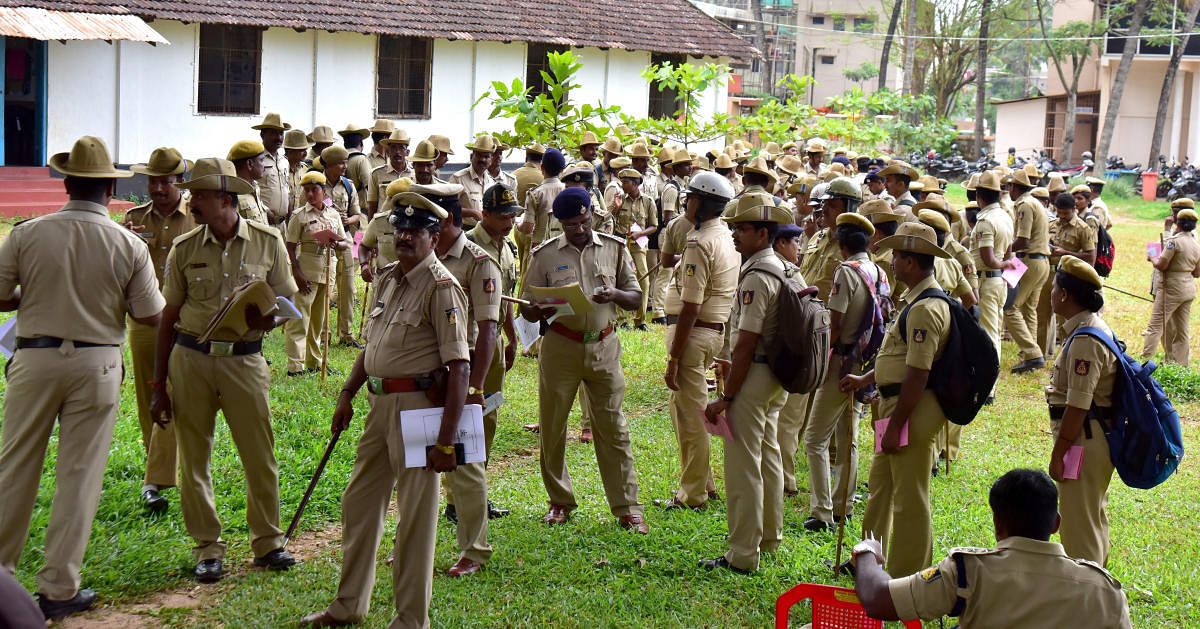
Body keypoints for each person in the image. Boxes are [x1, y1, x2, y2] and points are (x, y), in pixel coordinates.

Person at [0, 137, 164, 620]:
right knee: (79, 475)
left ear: (67, 183)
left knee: (15, 467)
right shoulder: (128, 243)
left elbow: (0, 295)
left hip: (35, 357)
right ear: (111, 187)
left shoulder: (26, 234)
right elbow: (149, 315)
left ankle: (1, 576)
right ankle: (59, 586)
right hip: (97, 363)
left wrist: (32, 297)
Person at [299, 191, 469, 628]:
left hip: (418, 410)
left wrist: (447, 441)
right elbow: (372, 346)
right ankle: (348, 605)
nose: (405, 236)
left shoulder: (443, 288)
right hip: (378, 406)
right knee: (359, 500)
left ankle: (411, 619)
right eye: (400, 229)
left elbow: (460, 368)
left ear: (434, 236)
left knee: (415, 515)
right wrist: (347, 392)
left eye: (416, 230)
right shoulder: (389, 278)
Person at [151, 157, 298, 583]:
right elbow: (168, 317)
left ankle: (268, 542)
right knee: (194, 458)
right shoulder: (185, 248)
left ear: (224, 199)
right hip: (190, 358)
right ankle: (207, 549)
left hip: (244, 359)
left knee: (260, 454)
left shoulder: (269, 242)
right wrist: (160, 383)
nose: (191, 201)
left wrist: (265, 319)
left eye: (198, 194)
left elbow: (285, 305)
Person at [851, 468, 1132, 628]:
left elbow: (877, 600)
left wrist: (867, 552)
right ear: (1055, 524)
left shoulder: (966, 572)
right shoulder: (1105, 591)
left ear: (998, 522)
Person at [519, 187, 648, 533]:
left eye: (584, 221)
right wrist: (535, 310)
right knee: (553, 427)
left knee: (613, 427)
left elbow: (635, 298)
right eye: (571, 225)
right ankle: (560, 501)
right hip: (560, 347)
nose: (579, 229)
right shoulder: (544, 256)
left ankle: (627, 507)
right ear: (558, 223)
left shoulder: (613, 248)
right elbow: (527, 309)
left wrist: (615, 294)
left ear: (592, 213)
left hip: (604, 347)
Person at [841, 221, 951, 578]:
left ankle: (910, 577)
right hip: (892, 406)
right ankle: (869, 562)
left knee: (909, 498)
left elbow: (918, 375)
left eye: (897, 256)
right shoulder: (913, 301)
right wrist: (867, 377)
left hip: (910, 410)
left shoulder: (925, 309)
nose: (891, 261)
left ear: (912, 262)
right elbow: (898, 358)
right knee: (881, 487)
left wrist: (898, 425)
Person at [700, 194, 794, 574]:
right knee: (768, 456)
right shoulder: (784, 267)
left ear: (763, 233)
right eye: (734, 226)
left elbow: (745, 343)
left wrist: (726, 396)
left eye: (742, 228)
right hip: (776, 377)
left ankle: (742, 554)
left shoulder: (758, 274)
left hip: (754, 375)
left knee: (743, 468)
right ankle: (769, 538)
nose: (735, 233)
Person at [415, 182, 503, 577]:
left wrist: (474, 388)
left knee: (464, 465)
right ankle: (414, 546)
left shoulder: (478, 261)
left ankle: (474, 549)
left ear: (446, 218)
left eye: (427, 217)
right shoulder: (422, 254)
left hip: (459, 372)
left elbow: (487, 330)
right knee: (420, 461)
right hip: (422, 372)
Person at [658, 172, 737, 511]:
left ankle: (693, 494)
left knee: (690, 418)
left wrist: (674, 358)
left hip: (693, 334)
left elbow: (691, 305)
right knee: (690, 411)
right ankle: (705, 482)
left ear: (701, 203)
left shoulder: (699, 242)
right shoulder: (724, 236)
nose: (686, 202)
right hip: (711, 333)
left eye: (690, 197)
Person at [124, 147, 196, 513]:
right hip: (144, 321)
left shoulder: (196, 221)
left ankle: (156, 479)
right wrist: (123, 241)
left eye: (164, 181)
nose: (156, 188)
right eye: (152, 180)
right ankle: (156, 471)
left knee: (170, 391)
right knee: (148, 394)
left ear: (179, 182)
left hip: (184, 321)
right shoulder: (133, 220)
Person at [803, 213, 883, 532]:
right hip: (866, 362)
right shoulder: (875, 269)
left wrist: (819, 362)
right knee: (848, 436)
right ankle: (843, 505)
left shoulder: (845, 272)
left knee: (814, 440)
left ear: (840, 243)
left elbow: (834, 327)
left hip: (842, 363)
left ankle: (822, 511)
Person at [1044, 256, 1118, 566]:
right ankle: (1098, 586)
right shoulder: (1086, 327)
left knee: (1078, 528)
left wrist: (1058, 453)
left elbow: (1078, 404)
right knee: (1091, 517)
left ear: (1064, 295)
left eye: (1053, 287)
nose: (1050, 292)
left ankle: (1088, 599)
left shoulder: (1087, 338)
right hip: (1089, 437)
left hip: (1083, 440)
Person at [284, 171, 351, 376]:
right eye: (307, 190)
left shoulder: (332, 214)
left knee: (318, 319)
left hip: (327, 270)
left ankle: (315, 361)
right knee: (300, 317)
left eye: (315, 190)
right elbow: (290, 246)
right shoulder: (299, 216)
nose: (310, 194)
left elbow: (343, 242)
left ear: (323, 191)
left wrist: (336, 243)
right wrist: (296, 272)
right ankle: (295, 365)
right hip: (307, 270)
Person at [770, 222, 814, 498]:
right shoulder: (787, 272)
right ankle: (786, 479)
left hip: (783, 356)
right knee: (788, 421)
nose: (799, 247)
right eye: (795, 242)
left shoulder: (764, 268)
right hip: (792, 357)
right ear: (780, 243)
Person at [970, 171, 1015, 401]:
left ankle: (988, 386)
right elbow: (1008, 252)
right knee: (994, 331)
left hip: (987, 279)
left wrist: (1002, 262)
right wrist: (1005, 262)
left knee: (989, 334)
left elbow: (989, 258)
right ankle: (988, 383)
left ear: (979, 196)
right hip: (998, 280)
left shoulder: (985, 221)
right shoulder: (1006, 216)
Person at [1040, 192, 1096, 357]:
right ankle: (1042, 354)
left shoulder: (1083, 229)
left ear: (1074, 209)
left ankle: (1067, 354)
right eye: (1059, 212)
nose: (1062, 216)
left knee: (1066, 319)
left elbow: (1090, 258)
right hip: (1048, 274)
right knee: (1042, 315)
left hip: (1067, 277)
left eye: (1066, 213)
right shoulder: (1051, 225)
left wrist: (1065, 252)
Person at [1005, 169, 1051, 374]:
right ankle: (1029, 356)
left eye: (1009, 187)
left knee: (1009, 305)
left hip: (1026, 261)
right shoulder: (1034, 202)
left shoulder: (1024, 205)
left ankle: (1033, 354)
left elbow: (1023, 240)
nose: (1008, 191)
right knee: (1029, 310)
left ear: (1014, 187)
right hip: (1040, 262)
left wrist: (1002, 251)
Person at [1142, 208, 1200, 364]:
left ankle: (1144, 361)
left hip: (1171, 288)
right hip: (1188, 289)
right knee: (1182, 331)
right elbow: (1197, 273)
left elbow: (1161, 265)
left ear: (1178, 223)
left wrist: (1152, 258)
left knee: (1155, 326)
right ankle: (1181, 366)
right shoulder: (1196, 243)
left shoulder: (1174, 242)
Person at [613, 167, 658, 330]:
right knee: (620, 278)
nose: (622, 185)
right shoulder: (620, 199)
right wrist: (615, 208)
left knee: (644, 280)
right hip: (621, 244)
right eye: (622, 182)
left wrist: (640, 234)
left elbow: (654, 226)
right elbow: (610, 222)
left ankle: (641, 320)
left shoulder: (648, 201)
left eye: (625, 182)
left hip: (639, 246)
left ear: (635, 183)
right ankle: (621, 319)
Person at [519, 147, 567, 247]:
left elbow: (527, 228)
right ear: (562, 170)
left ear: (542, 167)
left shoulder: (534, 194)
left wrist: (518, 224)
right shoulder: (567, 190)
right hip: (562, 243)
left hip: (539, 246)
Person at [252, 112, 291, 226]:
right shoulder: (256, 160)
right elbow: (249, 189)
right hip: (263, 221)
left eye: (281, 133)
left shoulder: (284, 161)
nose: (278, 137)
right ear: (262, 135)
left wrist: (290, 218)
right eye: (273, 133)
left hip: (282, 224)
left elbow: (287, 191)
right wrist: (264, 210)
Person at [451, 135, 498, 227]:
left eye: (486, 156)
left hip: (487, 233)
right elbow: (448, 207)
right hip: (465, 233)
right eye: (479, 155)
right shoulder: (458, 178)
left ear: (491, 160)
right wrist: (472, 213)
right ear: (471, 156)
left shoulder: (492, 182)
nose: (482, 159)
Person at [366, 128, 413, 217]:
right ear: (388, 151)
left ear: (407, 152)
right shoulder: (376, 174)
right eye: (393, 148)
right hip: (384, 225)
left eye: (401, 148)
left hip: (408, 224)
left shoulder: (414, 174)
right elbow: (372, 207)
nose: (397, 152)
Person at [228, 140, 271, 225]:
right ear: (250, 164)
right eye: (261, 160)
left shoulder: (254, 187)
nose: (264, 165)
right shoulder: (233, 195)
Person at [338, 123, 373, 202]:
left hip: (339, 209)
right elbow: (371, 188)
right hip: (359, 210)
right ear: (361, 143)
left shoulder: (337, 160)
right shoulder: (362, 160)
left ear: (344, 143)